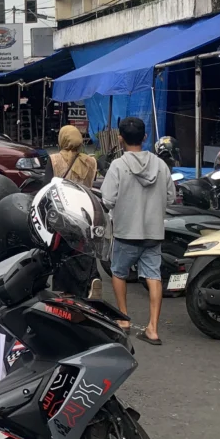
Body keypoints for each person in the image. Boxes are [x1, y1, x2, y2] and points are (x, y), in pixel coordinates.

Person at [100, 117, 175, 345]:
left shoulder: (118, 166)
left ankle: (124, 320)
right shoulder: (161, 165)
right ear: (144, 137)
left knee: (119, 272)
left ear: (120, 138)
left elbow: (107, 199)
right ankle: (153, 328)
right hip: (153, 232)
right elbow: (171, 197)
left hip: (125, 231)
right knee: (154, 276)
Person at [48, 125, 101, 299]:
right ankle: (90, 280)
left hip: (63, 216)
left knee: (63, 252)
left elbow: (46, 187)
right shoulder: (91, 162)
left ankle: (65, 291)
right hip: (86, 212)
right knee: (85, 249)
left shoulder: (54, 160)